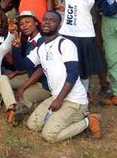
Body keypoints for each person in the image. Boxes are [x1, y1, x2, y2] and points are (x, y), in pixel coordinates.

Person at [21, 11, 102, 141]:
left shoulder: (65, 44)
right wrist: (16, 44)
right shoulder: (41, 48)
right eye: (45, 19)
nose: (47, 22)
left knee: (49, 135)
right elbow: (23, 65)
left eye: (52, 20)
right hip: (56, 96)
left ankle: (89, 121)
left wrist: (59, 100)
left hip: (74, 101)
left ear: (59, 26)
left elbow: (73, 74)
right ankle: (61, 120)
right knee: (33, 125)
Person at [10, 11, 50, 114]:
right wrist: (16, 48)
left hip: (44, 83)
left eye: (27, 22)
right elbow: (23, 65)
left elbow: (41, 69)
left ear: (36, 23)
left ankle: (39, 103)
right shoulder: (28, 39)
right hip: (30, 76)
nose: (24, 26)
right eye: (21, 24)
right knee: (6, 83)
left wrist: (23, 87)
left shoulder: (41, 41)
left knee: (21, 97)